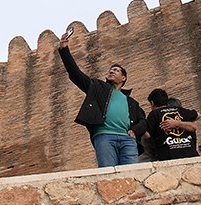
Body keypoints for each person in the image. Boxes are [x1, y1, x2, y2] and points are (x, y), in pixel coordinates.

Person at [58, 29, 146, 167]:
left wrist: (135, 131)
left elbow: (142, 121)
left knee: (132, 173)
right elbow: (75, 75)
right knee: (108, 173)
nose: (111, 71)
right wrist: (64, 50)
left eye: (116, 70)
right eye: (111, 69)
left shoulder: (131, 102)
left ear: (124, 78)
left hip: (127, 139)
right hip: (104, 137)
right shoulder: (98, 88)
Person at [144, 88, 199, 161]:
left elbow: (147, 134)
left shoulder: (154, 114)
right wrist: (179, 123)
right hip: (190, 155)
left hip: (169, 156)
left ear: (152, 103)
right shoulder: (180, 110)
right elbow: (198, 115)